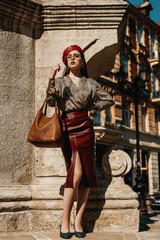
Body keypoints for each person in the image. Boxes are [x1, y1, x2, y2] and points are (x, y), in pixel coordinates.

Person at [46, 45, 114, 239]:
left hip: (86, 127)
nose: (73, 59)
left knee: (85, 176)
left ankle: (78, 221)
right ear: (66, 62)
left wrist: (92, 105)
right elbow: (51, 101)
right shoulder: (60, 82)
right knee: (75, 174)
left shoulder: (91, 83)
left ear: (82, 61)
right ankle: (65, 220)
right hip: (68, 127)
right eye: (69, 57)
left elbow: (108, 99)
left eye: (76, 56)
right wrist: (51, 77)